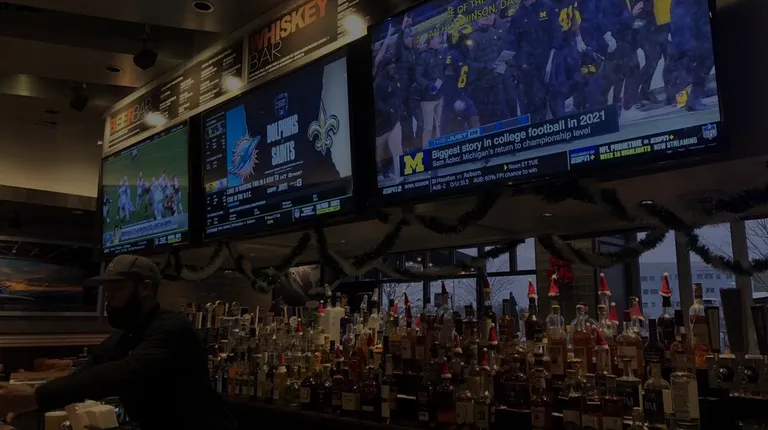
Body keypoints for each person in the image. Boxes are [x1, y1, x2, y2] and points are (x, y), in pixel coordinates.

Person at [0, 255, 237, 430]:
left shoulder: (173, 329)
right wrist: (32, 401)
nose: (108, 297)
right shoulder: (126, 336)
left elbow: (121, 373)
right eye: (107, 290)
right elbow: (89, 372)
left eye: (117, 288)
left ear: (145, 289)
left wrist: (35, 397)